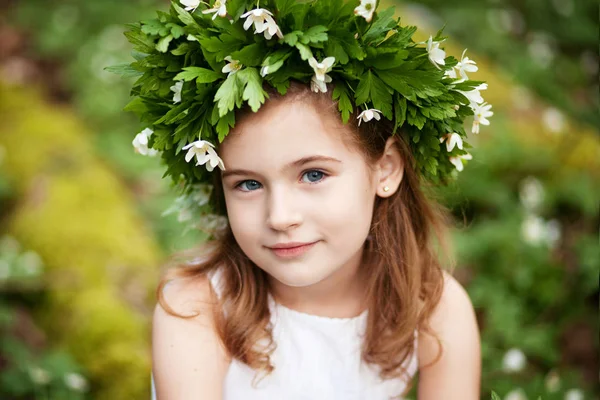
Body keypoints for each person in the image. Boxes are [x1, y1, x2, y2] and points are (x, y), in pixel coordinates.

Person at [121, 1, 490, 398]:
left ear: (385, 170)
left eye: (313, 174)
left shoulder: (435, 309)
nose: (280, 217)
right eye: (247, 184)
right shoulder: (197, 310)